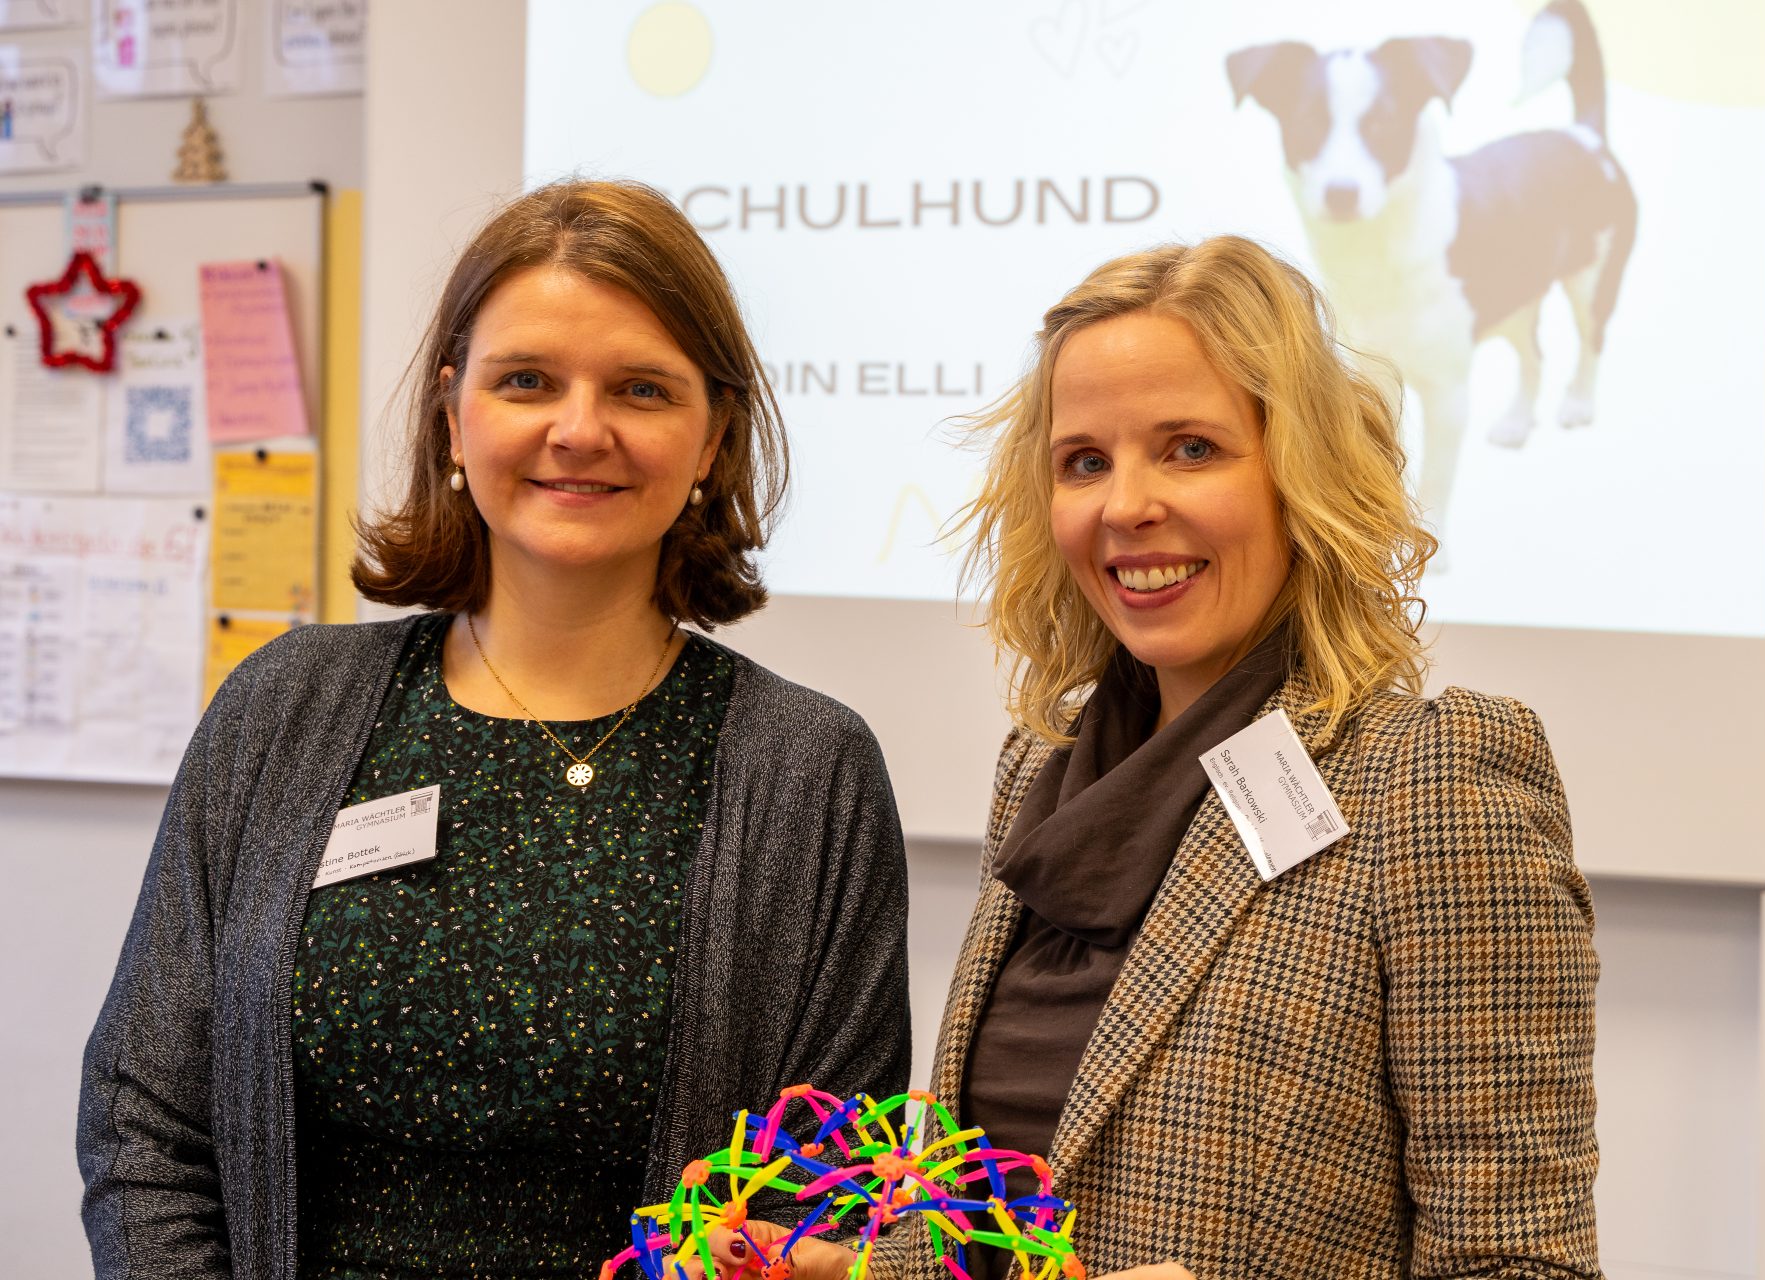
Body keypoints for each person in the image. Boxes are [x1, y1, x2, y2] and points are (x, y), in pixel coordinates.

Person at [77, 180, 912, 1280]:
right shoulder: (283, 707)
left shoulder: (810, 770)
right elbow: (144, 1120)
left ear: (713, 436)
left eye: (642, 389)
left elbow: (825, 1202)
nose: (580, 429)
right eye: (527, 381)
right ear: (452, 413)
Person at [721, 237, 1600, 1280]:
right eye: (1085, 461)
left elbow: (1520, 1262)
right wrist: (860, 1270)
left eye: (1190, 448)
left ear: (1301, 472)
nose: (1126, 504)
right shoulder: (1042, 771)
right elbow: (999, 1226)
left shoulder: (1431, 780)